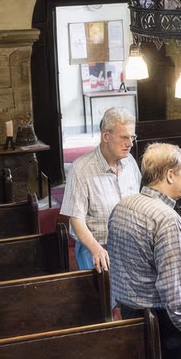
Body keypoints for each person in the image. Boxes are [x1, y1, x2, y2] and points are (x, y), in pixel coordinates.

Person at [107, 142, 181, 359]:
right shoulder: (166, 218)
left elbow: (128, 259)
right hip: (163, 321)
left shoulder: (124, 205)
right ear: (170, 174)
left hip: (130, 312)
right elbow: (172, 289)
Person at [61, 107, 141, 272]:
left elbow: (140, 204)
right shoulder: (81, 169)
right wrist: (96, 249)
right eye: (124, 137)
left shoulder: (130, 162)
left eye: (132, 137)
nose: (130, 144)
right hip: (96, 246)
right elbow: (76, 219)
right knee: (106, 294)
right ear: (106, 136)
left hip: (130, 244)